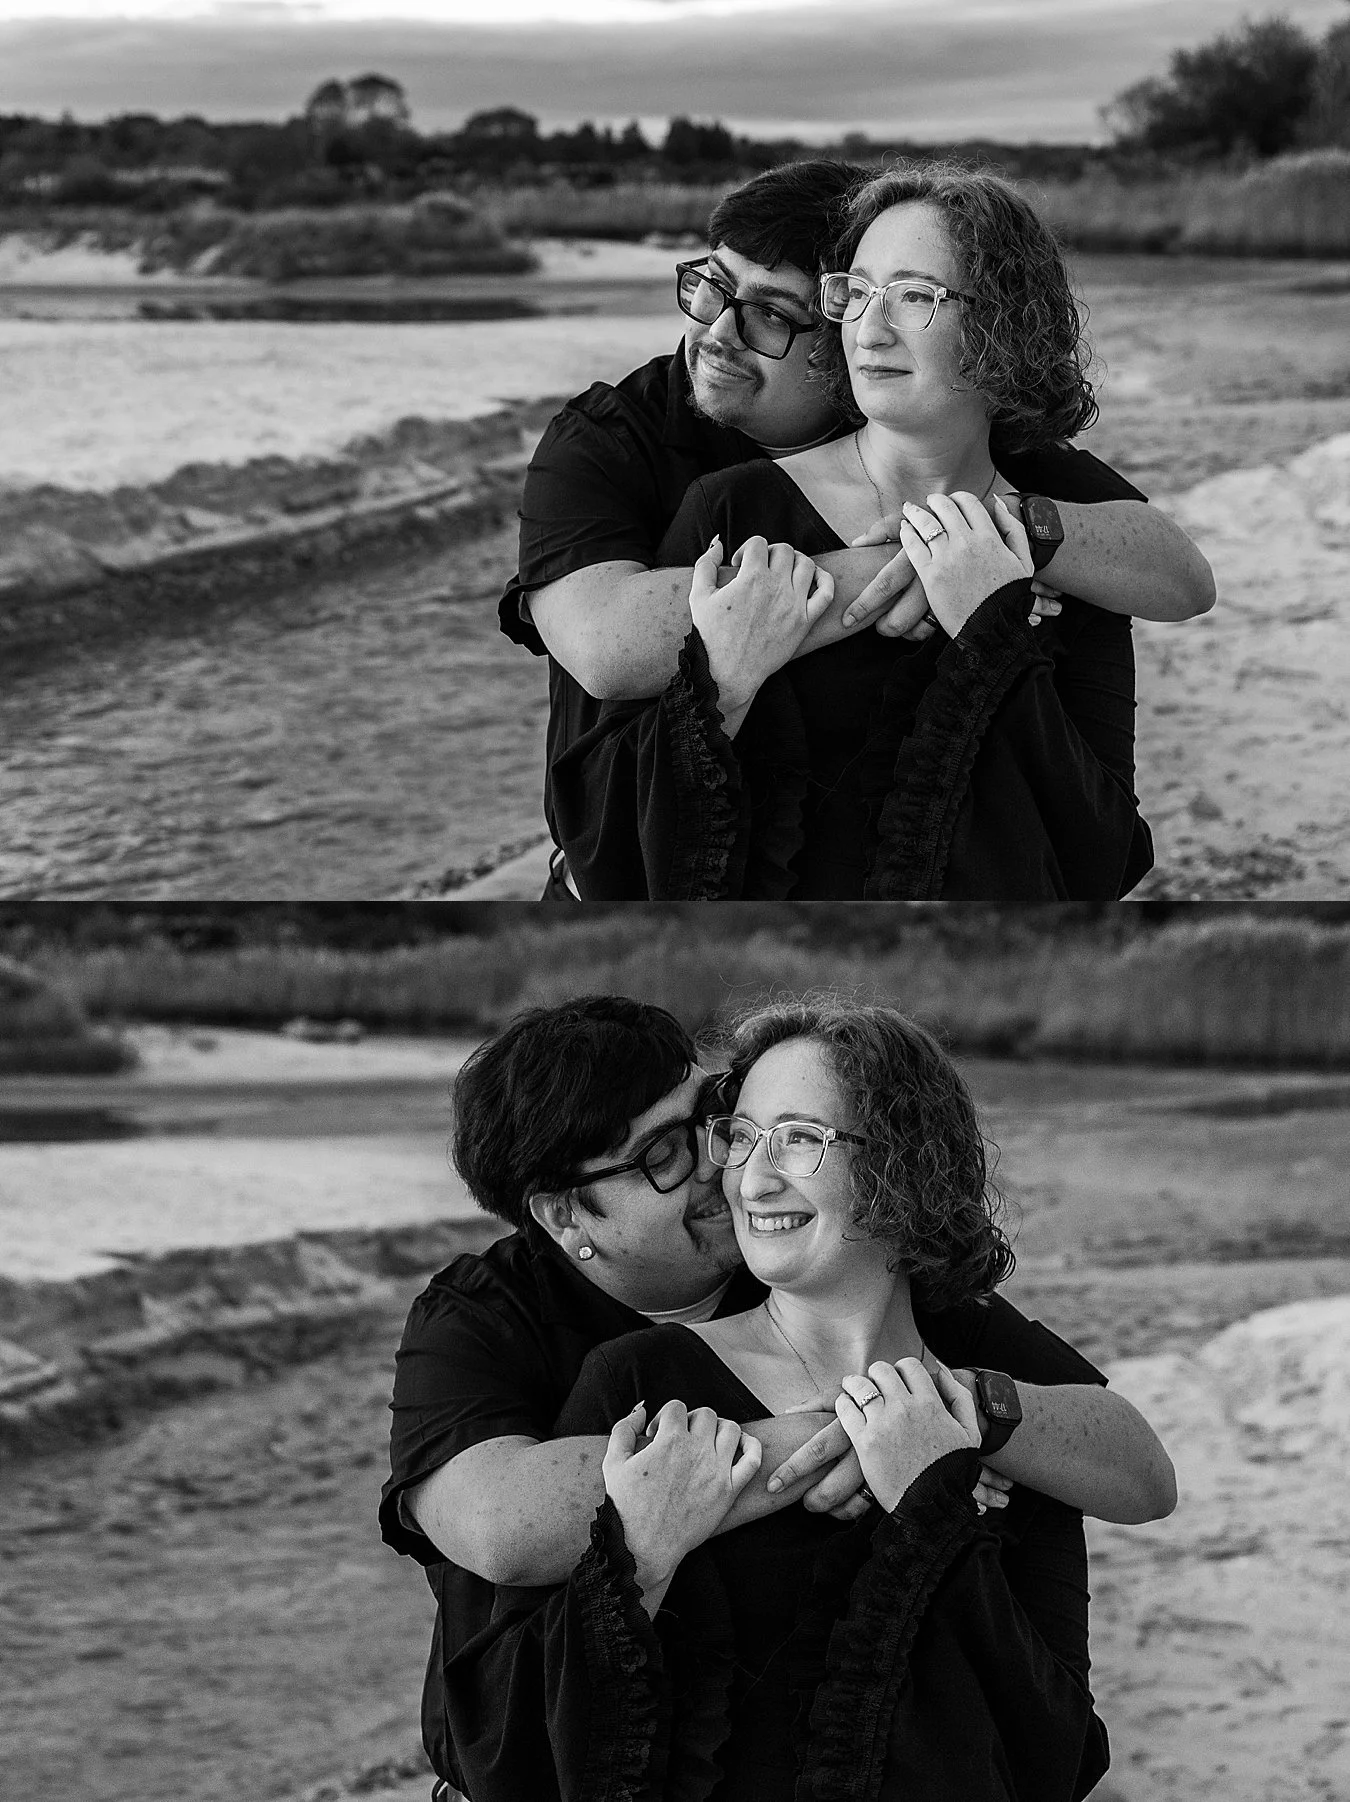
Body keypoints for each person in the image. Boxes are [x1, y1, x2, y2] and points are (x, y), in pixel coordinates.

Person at [379, 995, 1177, 1799]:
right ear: (564, 1214)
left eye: (715, 1120)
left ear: (897, 1167)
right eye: (661, 1156)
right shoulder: (496, 1324)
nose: (722, 1169)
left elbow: (1130, 1468)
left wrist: (950, 1411)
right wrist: (851, 1433)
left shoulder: (892, 1299)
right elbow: (500, 1528)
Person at [499, 160, 1215, 900]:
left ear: (1001, 329)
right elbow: (605, 652)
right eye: (712, 286)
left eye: (774, 312)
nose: (716, 330)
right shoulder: (633, 452)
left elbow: (1177, 573)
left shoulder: (1011, 482)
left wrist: (996, 548)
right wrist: (926, 555)